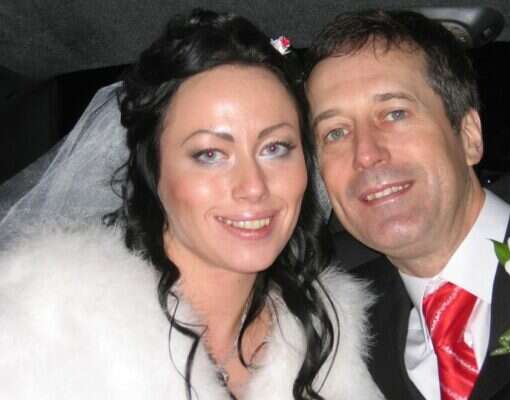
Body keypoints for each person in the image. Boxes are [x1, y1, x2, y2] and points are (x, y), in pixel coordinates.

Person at [0, 9, 383, 400]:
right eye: (210, 154)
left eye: (275, 148)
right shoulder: (46, 325)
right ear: (153, 171)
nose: (253, 187)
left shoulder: (331, 341)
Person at [305, 9, 510, 400]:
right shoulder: (328, 332)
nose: (365, 154)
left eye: (395, 113)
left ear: (469, 136)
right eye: (335, 133)